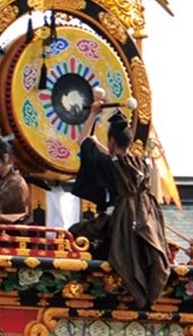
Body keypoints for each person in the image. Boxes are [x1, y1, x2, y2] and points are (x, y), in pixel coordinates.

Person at [68, 101, 169, 308]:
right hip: (143, 220)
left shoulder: (110, 164)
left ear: (112, 140)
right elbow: (115, 157)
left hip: (118, 220)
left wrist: (93, 114)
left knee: (74, 233)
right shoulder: (140, 164)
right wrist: (99, 144)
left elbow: (82, 142)